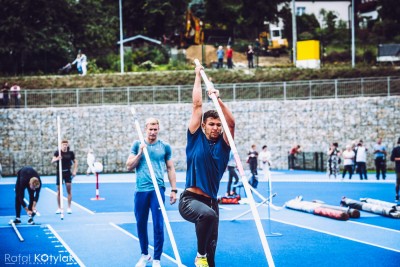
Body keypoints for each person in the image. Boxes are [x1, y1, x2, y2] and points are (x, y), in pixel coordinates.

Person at [178, 65, 235, 267]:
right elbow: (197, 106)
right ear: (203, 126)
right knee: (207, 218)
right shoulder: (195, 139)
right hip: (189, 200)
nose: (215, 127)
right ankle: (199, 255)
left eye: (218, 125)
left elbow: (232, 123)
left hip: (211, 202)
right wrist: (197, 76)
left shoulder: (225, 145)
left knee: (212, 252)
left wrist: (218, 100)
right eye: (211, 124)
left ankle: (205, 257)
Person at [126, 117, 177, 267]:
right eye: (150, 129)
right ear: (145, 129)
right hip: (141, 190)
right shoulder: (137, 145)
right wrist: (140, 153)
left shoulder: (164, 147)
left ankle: (156, 259)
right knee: (141, 223)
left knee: (158, 224)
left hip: (157, 189)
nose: (153, 132)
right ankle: (144, 255)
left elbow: (170, 168)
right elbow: (129, 166)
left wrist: (173, 189)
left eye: (155, 129)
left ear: (158, 130)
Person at [52, 139, 78, 214]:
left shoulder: (70, 153)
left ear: (67, 145)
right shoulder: (57, 152)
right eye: (63, 144)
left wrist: (74, 171)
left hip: (67, 172)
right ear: (61, 145)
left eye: (66, 144)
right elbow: (52, 161)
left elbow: (75, 162)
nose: (65, 146)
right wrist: (57, 158)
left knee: (68, 190)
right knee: (59, 191)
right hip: (59, 173)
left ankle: (69, 207)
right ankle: (59, 208)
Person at [390, 137, 400, 202]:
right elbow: (392, 158)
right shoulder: (395, 149)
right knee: (398, 182)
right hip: (399, 168)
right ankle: (397, 194)